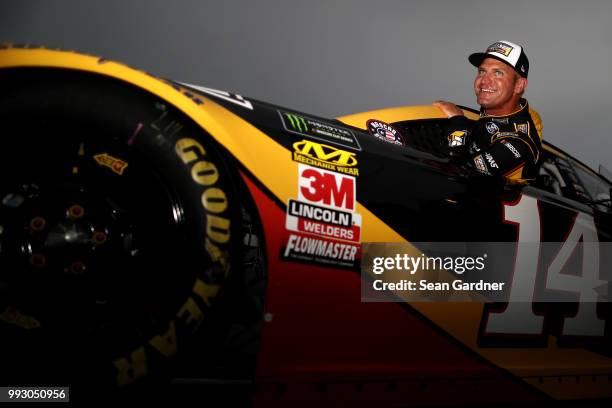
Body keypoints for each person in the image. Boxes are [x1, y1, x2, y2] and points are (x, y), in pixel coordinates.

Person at [433, 41, 542, 181]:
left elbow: (454, 175)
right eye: (482, 71)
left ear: (519, 85)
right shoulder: (502, 114)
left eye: (497, 73)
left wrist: (458, 122)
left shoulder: (519, 144)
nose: (484, 81)